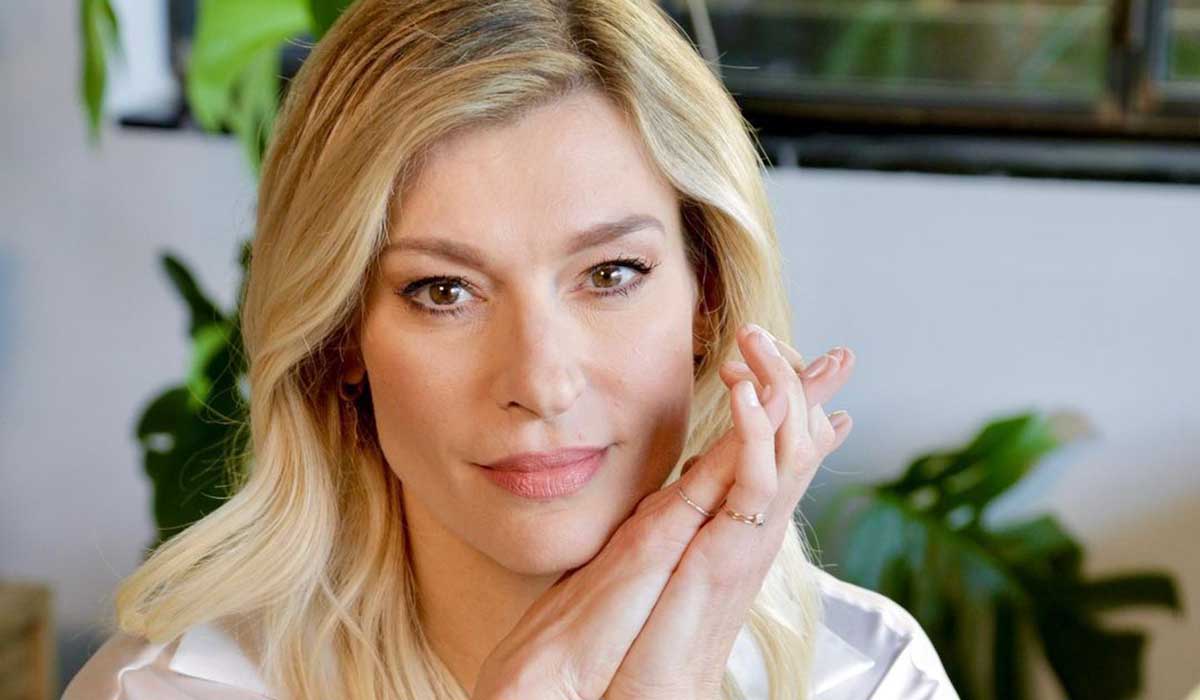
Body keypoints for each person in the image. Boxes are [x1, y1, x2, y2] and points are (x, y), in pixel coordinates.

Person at [63, 0, 959, 698]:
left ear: (708, 297)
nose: (540, 381)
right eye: (443, 291)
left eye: (609, 273)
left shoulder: (866, 678)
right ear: (342, 337)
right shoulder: (167, 690)